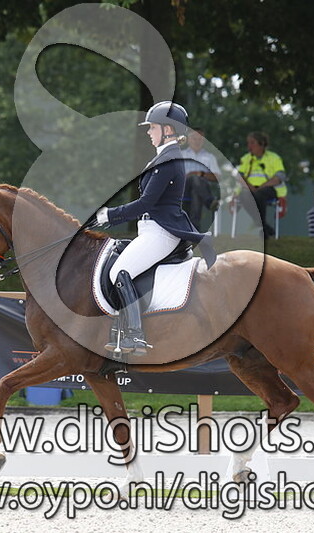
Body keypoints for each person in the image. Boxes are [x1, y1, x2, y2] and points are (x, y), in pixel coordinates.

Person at [94, 101, 215, 356]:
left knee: (120, 272)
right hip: (151, 229)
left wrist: (110, 215)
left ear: (168, 130)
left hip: (161, 231)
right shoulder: (164, 157)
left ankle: (135, 335)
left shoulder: (169, 160)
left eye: (152, 127)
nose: (149, 132)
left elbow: (146, 203)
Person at [236, 131, 288, 239]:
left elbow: (279, 177)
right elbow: (239, 177)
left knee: (259, 194)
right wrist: (250, 187)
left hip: (269, 189)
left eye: (252, 143)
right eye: (248, 143)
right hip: (250, 189)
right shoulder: (246, 158)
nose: (249, 146)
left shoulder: (274, 158)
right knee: (244, 195)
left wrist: (261, 187)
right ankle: (265, 228)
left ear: (262, 144)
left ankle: (263, 228)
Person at [181, 127, 221, 232]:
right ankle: (210, 201)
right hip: (183, 188)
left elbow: (217, 177)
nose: (197, 141)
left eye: (200, 139)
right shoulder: (181, 155)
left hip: (201, 189)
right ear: (188, 139)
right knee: (195, 179)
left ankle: (194, 228)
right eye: (194, 138)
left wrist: (200, 174)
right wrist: (194, 175)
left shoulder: (209, 157)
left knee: (196, 190)